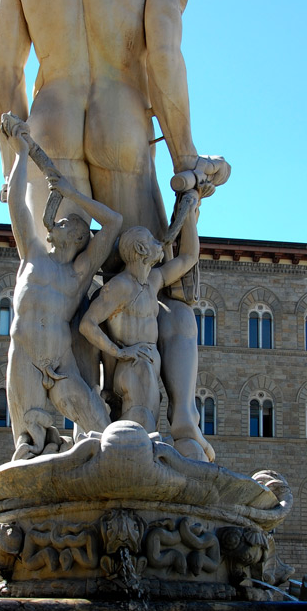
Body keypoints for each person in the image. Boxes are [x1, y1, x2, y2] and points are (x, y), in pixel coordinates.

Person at [0, 0, 230, 457]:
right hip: (124, 122)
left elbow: (3, 76)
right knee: (156, 288)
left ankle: (44, 437)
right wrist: (186, 158)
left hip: (50, 125)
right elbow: (165, 65)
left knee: (52, 288)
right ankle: (170, 427)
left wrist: (9, 165)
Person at [2, 113, 122, 458]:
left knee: (100, 427)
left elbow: (114, 223)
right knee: (27, 445)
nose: (58, 221)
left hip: (60, 361)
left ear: (79, 237)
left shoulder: (79, 272)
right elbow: (16, 205)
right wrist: (21, 152)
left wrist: (71, 193)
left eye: (68, 221)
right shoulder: (33, 254)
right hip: (25, 353)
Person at [79, 192, 211, 459]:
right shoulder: (120, 287)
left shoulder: (153, 281)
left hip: (148, 364)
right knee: (141, 439)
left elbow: (188, 258)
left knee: (146, 434)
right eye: (151, 241)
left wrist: (190, 217)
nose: (158, 243)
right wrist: (119, 353)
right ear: (140, 250)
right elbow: (87, 324)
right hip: (134, 368)